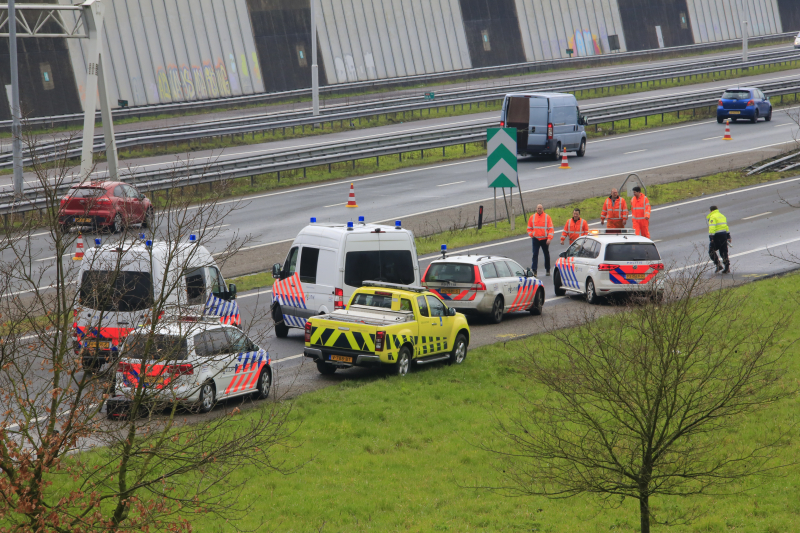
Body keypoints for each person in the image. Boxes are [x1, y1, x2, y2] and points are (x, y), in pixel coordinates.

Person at [527, 204, 554, 277]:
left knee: (546, 254)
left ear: (543, 209)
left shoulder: (547, 217)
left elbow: (551, 229)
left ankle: (548, 269)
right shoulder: (532, 217)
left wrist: (549, 238)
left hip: (544, 239)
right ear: (536, 209)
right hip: (536, 239)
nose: (539, 209)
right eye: (538, 208)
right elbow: (529, 228)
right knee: (535, 254)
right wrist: (532, 235)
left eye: (540, 208)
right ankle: (534, 270)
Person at [707, 205, 731, 274]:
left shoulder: (712, 217)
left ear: (711, 210)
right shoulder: (722, 216)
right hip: (724, 236)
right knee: (724, 252)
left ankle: (718, 265)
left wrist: (711, 237)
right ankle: (727, 267)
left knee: (711, 251)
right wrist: (728, 236)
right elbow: (726, 226)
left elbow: (712, 227)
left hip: (716, 236)